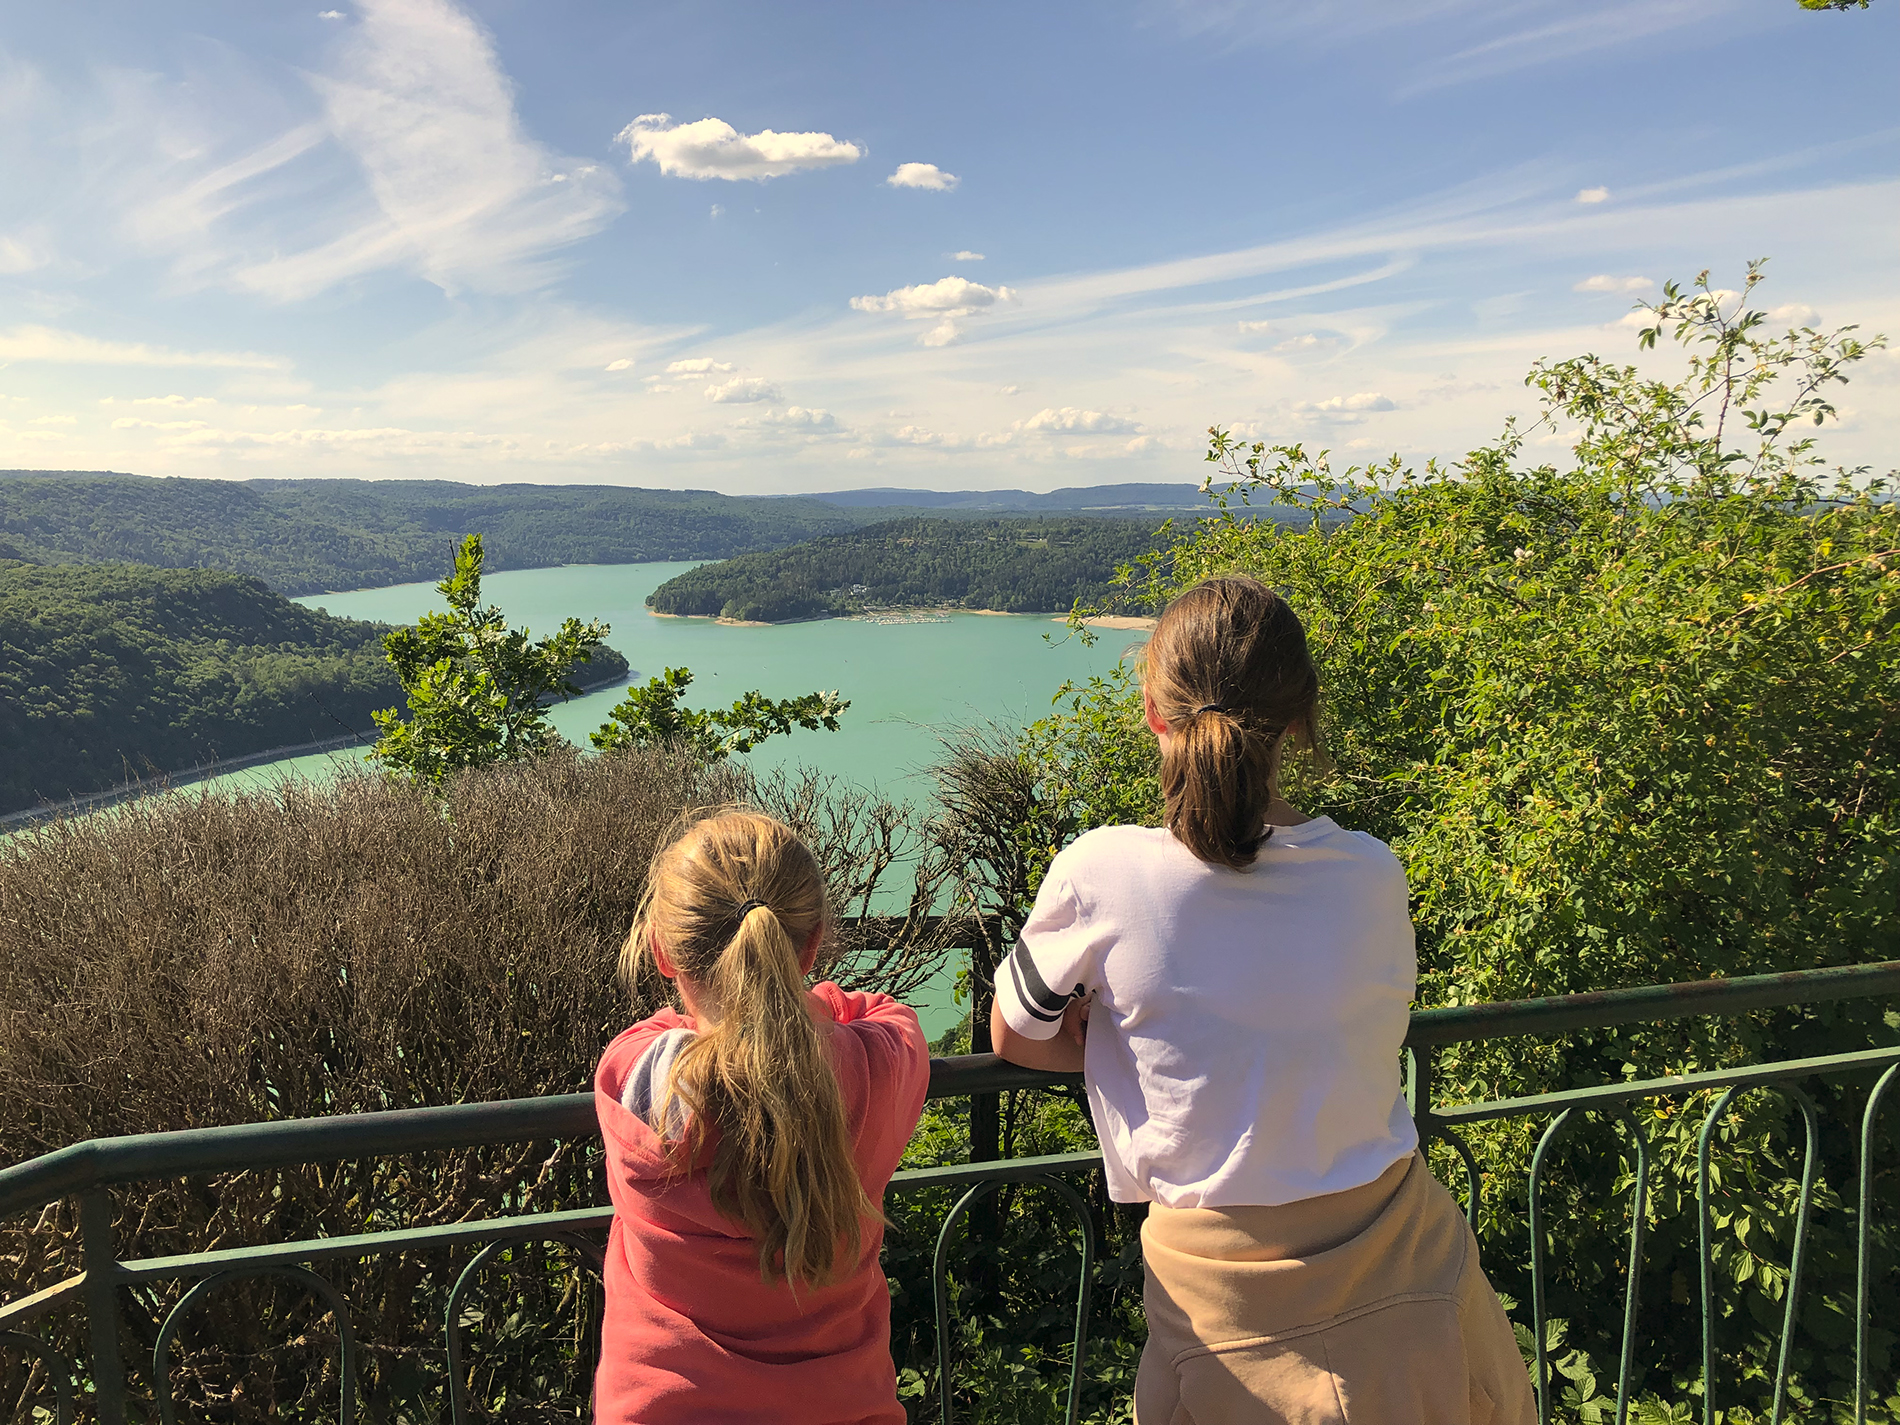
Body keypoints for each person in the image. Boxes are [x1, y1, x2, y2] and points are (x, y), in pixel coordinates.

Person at [991, 576, 1535, 1425]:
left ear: (1152, 713)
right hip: (1414, 1274)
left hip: (1225, 1308)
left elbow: (1016, 1032)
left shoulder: (1102, 870)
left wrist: (1114, 1040)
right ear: (1299, 718)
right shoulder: (1371, 871)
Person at [593, 809, 931, 1425]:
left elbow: (675, 1033)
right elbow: (889, 1015)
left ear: (662, 953)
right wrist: (819, 1004)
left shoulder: (636, 1076)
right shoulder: (875, 1072)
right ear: (809, 945)